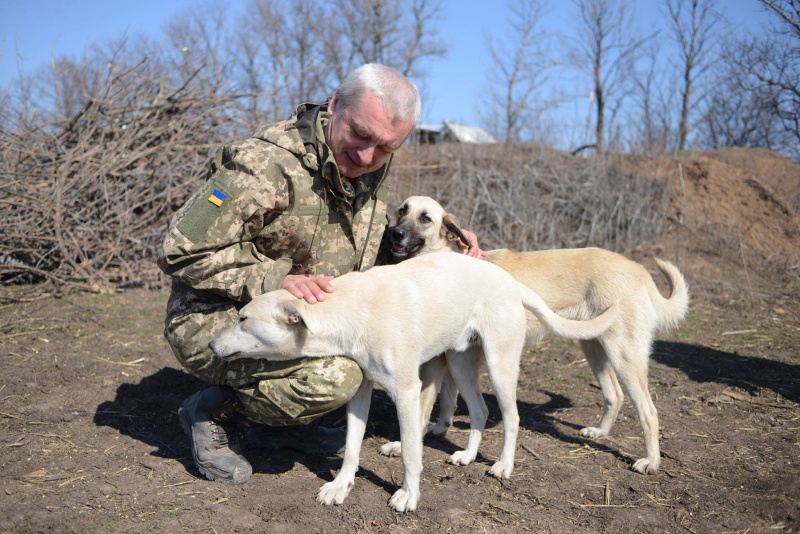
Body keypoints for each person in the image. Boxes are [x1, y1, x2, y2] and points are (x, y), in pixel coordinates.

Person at [157, 63, 484, 486]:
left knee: (357, 349)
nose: (368, 156)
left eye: (386, 148)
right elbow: (180, 248)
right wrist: (273, 279)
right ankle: (211, 411)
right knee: (339, 377)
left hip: (304, 316)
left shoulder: (368, 172)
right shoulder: (264, 165)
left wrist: (445, 251)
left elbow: (369, 264)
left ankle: (293, 422)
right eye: (361, 135)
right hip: (216, 317)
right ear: (335, 106)